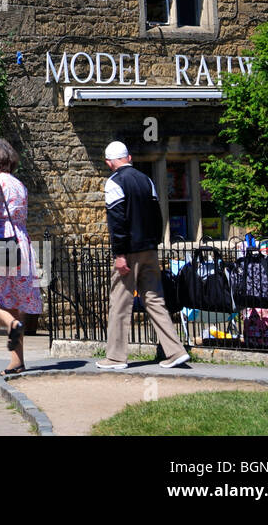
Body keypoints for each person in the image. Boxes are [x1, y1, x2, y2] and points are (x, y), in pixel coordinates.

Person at [97, 141, 191, 370]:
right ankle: (176, 351)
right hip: (150, 249)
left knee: (120, 302)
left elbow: (117, 222)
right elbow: (159, 216)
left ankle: (116, 357)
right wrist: (155, 242)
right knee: (155, 299)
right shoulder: (146, 180)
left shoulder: (114, 183)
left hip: (129, 252)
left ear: (109, 162)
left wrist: (119, 254)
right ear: (129, 157)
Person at [0, 139, 42, 376]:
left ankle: (10, 324)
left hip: (0, 240)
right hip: (21, 242)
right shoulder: (19, 184)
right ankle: (17, 362)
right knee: (12, 300)